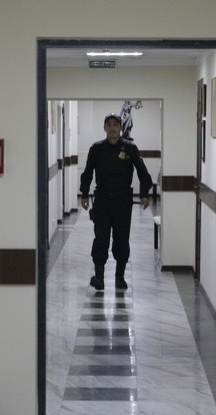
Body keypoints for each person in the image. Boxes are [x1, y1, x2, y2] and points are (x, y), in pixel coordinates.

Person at [80, 113, 153, 290]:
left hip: (122, 201)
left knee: (121, 239)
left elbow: (143, 173)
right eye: (109, 124)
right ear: (104, 128)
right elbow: (88, 172)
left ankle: (119, 277)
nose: (112, 127)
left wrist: (144, 194)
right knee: (101, 239)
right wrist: (84, 194)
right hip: (102, 200)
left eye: (115, 124)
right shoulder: (96, 149)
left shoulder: (130, 148)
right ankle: (99, 277)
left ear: (121, 127)